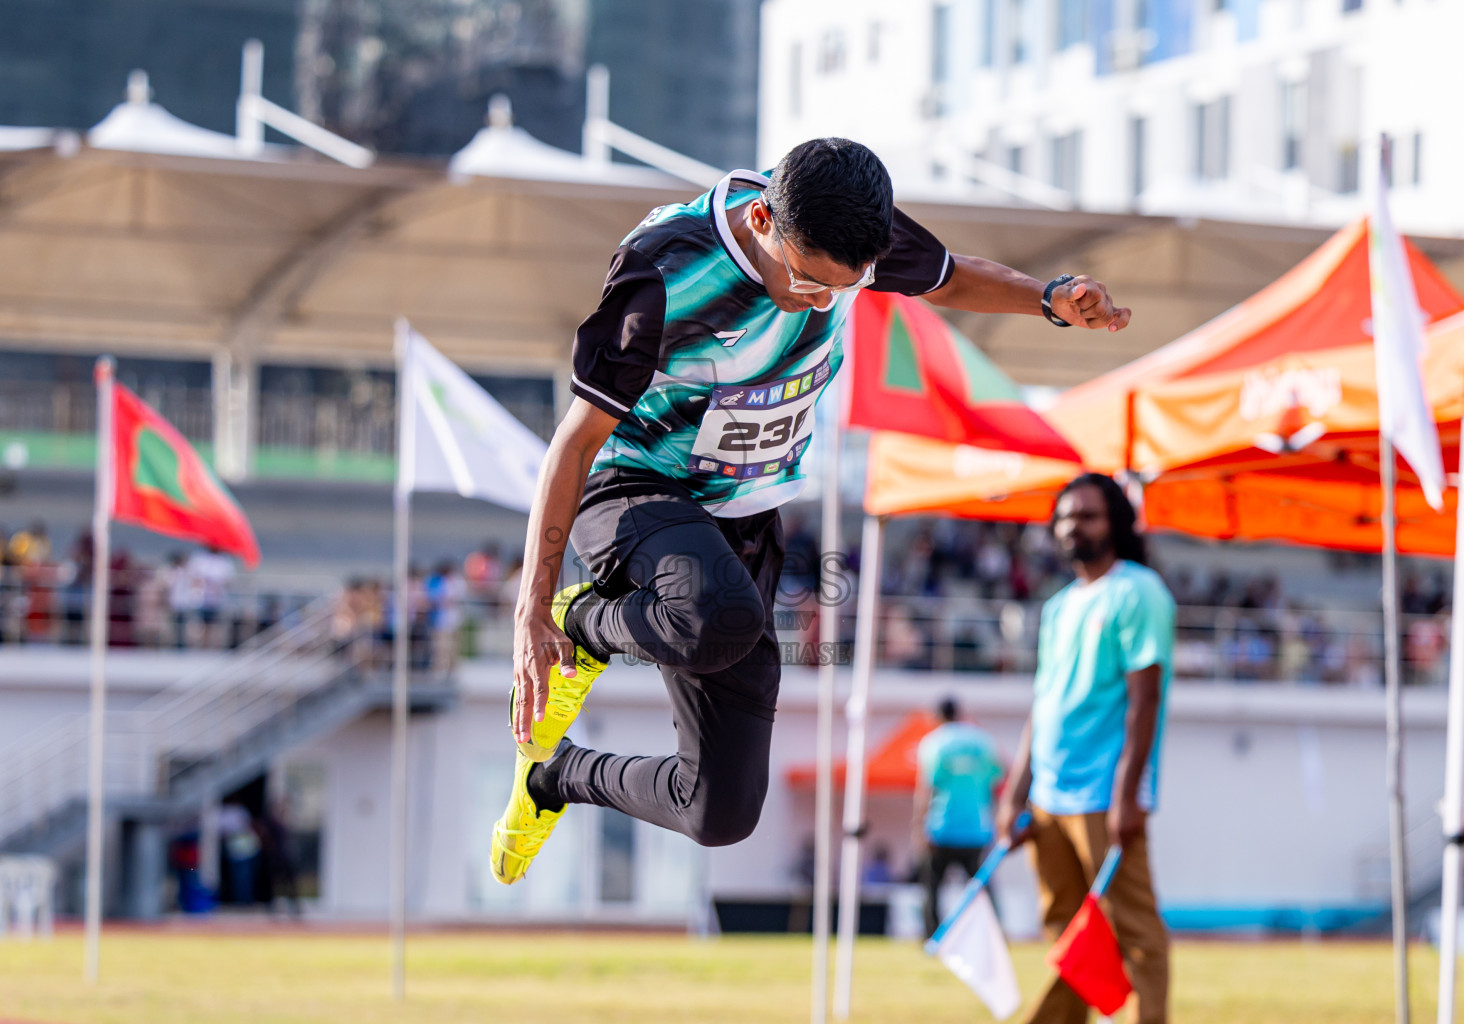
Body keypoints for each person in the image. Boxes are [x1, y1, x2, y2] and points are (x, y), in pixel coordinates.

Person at [491, 137, 1133, 885]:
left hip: (747, 516)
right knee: (716, 617)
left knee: (719, 811)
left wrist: (1049, 298)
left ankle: (553, 778)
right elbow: (574, 443)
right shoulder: (663, 272)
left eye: (843, 287)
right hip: (637, 488)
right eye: (805, 281)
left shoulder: (852, 228)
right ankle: (582, 621)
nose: (821, 301)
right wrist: (531, 609)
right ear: (761, 217)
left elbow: (951, 277)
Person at [995, 473, 1174, 1024]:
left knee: (1134, 933)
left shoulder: (1138, 591)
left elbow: (1146, 701)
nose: (1075, 526)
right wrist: (1014, 794)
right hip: (1048, 797)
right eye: (1067, 517)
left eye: (1089, 515)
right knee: (1067, 932)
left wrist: (1127, 795)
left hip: (1103, 795)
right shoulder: (1058, 606)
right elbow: (1042, 707)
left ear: (1116, 522)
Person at [913, 696, 1003, 940]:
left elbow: (927, 789)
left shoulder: (934, 743)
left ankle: (933, 938)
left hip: (941, 827)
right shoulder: (983, 741)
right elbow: (995, 784)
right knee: (982, 888)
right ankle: (995, 934)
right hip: (976, 829)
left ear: (937, 716)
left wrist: (919, 826)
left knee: (932, 889)